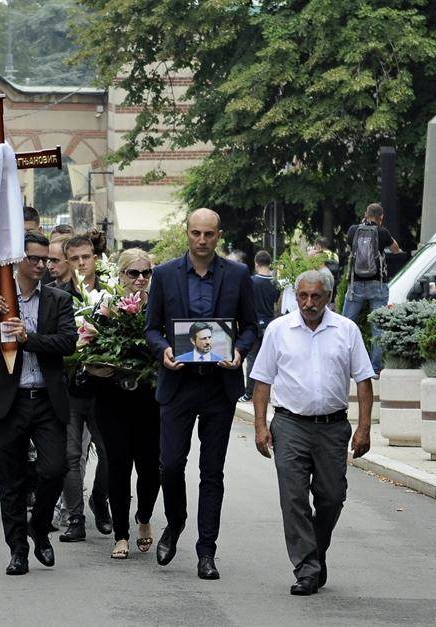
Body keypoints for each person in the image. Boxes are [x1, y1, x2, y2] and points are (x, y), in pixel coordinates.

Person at [144, 208, 258, 580]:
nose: (202, 240)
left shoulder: (238, 275)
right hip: (178, 383)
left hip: (218, 385)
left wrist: (239, 350)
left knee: (212, 473)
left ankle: (206, 552)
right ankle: (175, 521)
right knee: (171, 465)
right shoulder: (163, 275)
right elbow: (152, 328)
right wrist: (162, 349)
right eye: (196, 233)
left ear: (218, 235)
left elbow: (250, 327)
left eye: (209, 234)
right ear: (187, 234)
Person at [250, 270, 374, 595]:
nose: (308, 303)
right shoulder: (279, 330)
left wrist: (363, 428)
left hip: (333, 427)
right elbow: (262, 380)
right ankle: (306, 569)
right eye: (303, 296)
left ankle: (316, 553)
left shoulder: (347, 330)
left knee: (332, 497)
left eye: (315, 296)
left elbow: (363, 380)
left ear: (329, 297)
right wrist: (260, 425)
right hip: (290, 425)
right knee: (293, 499)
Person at [0, 231, 78, 576]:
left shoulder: (58, 299)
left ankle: (40, 527)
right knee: (11, 479)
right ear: (17, 260)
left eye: (46, 259)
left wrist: (29, 339)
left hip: (47, 398)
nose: (42, 265)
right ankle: (17, 550)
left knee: (54, 469)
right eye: (35, 258)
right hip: (10, 401)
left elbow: (68, 343)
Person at [91, 248, 161, 560]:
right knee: (118, 464)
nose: (141, 279)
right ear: (121, 276)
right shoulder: (106, 308)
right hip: (114, 398)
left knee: (151, 467)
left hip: (151, 400)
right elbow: (87, 351)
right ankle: (121, 534)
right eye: (133, 273)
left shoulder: (160, 309)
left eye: (146, 273)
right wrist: (95, 367)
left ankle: (144, 516)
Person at [56, 234, 112, 541]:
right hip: (68, 389)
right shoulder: (57, 296)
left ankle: (99, 500)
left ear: (95, 259)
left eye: (86, 257)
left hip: (102, 388)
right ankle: (74, 518)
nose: (81, 263)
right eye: (75, 258)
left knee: (109, 453)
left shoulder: (110, 295)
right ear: (67, 262)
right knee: (70, 454)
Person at [342, 203, 401, 373]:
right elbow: (395, 250)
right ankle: (374, 368)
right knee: (378, 329)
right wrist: (382, 229)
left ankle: (347, 366)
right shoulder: (382, 232)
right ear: (380, 218)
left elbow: (349, 249)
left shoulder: (353, 230)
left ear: (365, 215)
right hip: (377, 286)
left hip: (356, 286)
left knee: (346, 325)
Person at [0, 206, 42, 302]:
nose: (24, 237)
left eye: (29, 232)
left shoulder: (48, 262)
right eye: (19, 232)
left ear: (40, 230)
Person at [239, 250, 280, 402]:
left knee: (252, 358)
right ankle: (268, 394)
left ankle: (248, 393)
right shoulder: (275, 283)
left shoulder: (251, 281)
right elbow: (275, 302)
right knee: (269, 360)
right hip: (270, 324)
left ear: (256, 263)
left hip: (255, 324)